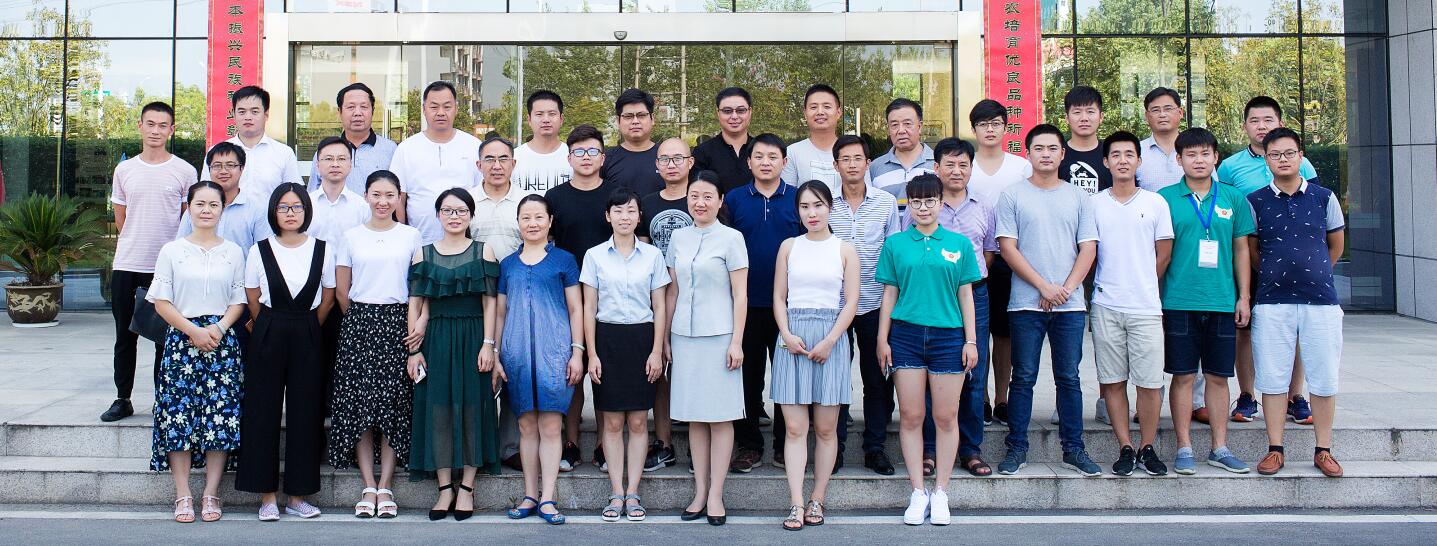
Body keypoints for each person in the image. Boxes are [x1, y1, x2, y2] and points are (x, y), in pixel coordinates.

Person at [994, 124, 1101, 477]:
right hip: (1026, 303)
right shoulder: (1012, 195)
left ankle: (1074, 449)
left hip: (1069, 306)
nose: (1045, 154)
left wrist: (1064, 290)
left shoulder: (1079, 197)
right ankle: (1016, 448)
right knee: (1023, 377)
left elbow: (1088, 248)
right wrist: (1043, 287)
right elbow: (1007, 248)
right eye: (1038, 148)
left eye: (1052, 148)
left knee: (1069, 377)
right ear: (1028, 153)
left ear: (1062, 154)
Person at [875, 174, 981, 526]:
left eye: (930, 201)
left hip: (948, 337)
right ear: (909, 204)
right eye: (916, 202)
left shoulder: (959, 243)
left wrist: (971, 340)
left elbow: (966, 295)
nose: (923, 208)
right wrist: (882, 338)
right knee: (911, 415)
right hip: (905, 335)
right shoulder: (895, 244)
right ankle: (918, 491)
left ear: (940, 202)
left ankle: (941, 492)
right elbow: (889, 293)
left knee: (946, 417)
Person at [1247, 127, 1346, 478]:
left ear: (1301, 156)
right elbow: (1253, 252)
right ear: (1266, 160)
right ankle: (1275, 449)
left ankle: (1324, 450)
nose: (1283, 159)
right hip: (1272, 303)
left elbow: (1336, 245)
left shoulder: (1324, 198)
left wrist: (1314, 273)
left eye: (1289, 153)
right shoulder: (1255, 201)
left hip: (1321, 302)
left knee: (1324, 377)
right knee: (1272, 378)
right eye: (1275, 154)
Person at [1217, 96, 1320, 425]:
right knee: (1244, 327)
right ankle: (1247, 396)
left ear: (1280, 122)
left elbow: (1315, 212)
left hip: (1293, 261)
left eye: (1268, 120)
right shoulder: (1230, 167)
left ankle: (1295, 396)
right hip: (1249, 257)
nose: (1261, 126)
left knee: (1295, 329)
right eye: (1254, 120)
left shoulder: (1302, 163)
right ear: (1245, 126)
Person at [147, 180, 246, 524]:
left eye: (213, 205)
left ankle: (211, 492)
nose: (206, 210)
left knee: (220, 417)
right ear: (188, 208)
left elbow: (239, 299)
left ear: (222, 209)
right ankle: (183, 494)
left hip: (221, 341)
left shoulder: (233, 252)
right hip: (181, 342)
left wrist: (219, 328)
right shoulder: (172, 251)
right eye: (199, 204)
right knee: (178, 417)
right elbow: (161, 301)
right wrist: (192, 331)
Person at [1157, 127, 1254, 475]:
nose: (1198, 161)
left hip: (1222, 301)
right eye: (1191, 155)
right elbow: (1159, 253)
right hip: (1178, 301)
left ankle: (1219, 447)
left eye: (1205, 154)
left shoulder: (1233, 198)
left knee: (1218, 377)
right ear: (1179, 159)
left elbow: (1242, 250)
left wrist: (1244, 297)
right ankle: (1184, 447)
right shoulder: (1164, 199)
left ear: (1216, 157)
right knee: (1182, 376)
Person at [236, 183, 335, 520]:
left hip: (308, 327)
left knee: (306, 412)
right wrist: (269, 324)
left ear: (307, 210)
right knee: (262, 409)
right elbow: (252, 295)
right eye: (283, 207)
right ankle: (266, 497)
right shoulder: (259, 249)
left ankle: (297, 496)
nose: (290, 213)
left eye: (296, 207)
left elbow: (328, 298)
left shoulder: (323, 248)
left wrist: (305, 326)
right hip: (268, 327)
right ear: (273, 212)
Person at [329, 170, 424, 519]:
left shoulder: (411, 235)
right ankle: (368, 484)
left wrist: (413, 327)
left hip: (399, 322)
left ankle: (386, 485)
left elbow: (417, 288)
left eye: (389, 195)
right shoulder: (351, 236)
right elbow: (342, 290)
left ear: (399, 198)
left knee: (394, 404)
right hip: (359, 323)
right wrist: (361, 321)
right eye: (376, 195)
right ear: (366, 196)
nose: (383, 202)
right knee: (361, 405)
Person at [406, 188, 502, 521]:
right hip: (435, 338)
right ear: (438, 215)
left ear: (471, 215)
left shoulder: (483, 250)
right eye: (447, 210)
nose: (454, 216)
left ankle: (467, 488)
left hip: (473, 336)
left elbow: (490, 303)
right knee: (439, 409)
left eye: (461, 210)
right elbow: (415, 303)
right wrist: (414, 350)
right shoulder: (423, 254)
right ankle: (445, 488)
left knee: (474, 406)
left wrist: (488, 344)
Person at [772, 181, 859, 530]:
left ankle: (817, 499)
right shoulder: (789, 247)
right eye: (805, 206)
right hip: (792, 336)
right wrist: (786, 333)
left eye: (819, 205)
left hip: (830, 339)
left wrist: (830, 340)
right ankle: (795, 502)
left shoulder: (845, 249)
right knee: (795, 428)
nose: (812, 213)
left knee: (826, 429)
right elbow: (779, 297)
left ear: (830, 208)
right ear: (798, 210)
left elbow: (851, 301)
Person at [909, 138, 997, 479]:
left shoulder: (984, 206)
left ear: (972, 169)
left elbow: (988, 253)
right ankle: (930, 449)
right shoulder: (925, 205)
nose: (956, 171)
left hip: (974, 294)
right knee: (933, 373)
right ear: (936, 167)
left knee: (974, 370)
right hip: (932, 297)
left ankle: (971, 449)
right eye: (949, 164)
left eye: (963, 165)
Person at [581, 188, 671, 522]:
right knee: (613, 421)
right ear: (608, 216)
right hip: (607, 339)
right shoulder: (594, 256)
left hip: (642, 338)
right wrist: (592, 353)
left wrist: (657, 350)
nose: (624, 217)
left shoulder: (652, 256)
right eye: (618, 211)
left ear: (639, 216)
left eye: (631, 211)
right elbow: (589, 308)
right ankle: (615, 492)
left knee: (637, 420)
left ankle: (633, 492)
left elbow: (659, 305)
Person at [103, 101, 196, 423]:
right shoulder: (124, 170)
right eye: (150, 124)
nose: (156, 131)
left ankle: (162, 400)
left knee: (163, 338)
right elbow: (121, 219)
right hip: (128, 264)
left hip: (165, 268)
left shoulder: (185, 171)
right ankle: (123, 398)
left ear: (171, 130)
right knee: (124, 335)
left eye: (163, 125)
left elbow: (186, 220)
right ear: (140, 126)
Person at [495, 195, 585, 526]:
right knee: (525, 426)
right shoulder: (508, 264)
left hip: (555, 353)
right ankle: (530, 494)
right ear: (518, 222)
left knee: (550, 425)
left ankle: (548, 497)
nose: (532, 223)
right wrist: (496, 354)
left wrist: (577, 351)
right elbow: (500, 312)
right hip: (516, 354)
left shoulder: (564, 260)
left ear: (549, 221)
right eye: (526, 217)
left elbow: (576, 308)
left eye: (538, 217)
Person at [666, 174, 749, 526]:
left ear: (720, 200)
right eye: (694, 196)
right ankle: (700, 492)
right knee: (695, 416)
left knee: (720, 415)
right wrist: (665, 338)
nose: (699, 202)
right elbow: (672, 291)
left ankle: (716, 494)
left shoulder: (732, 238)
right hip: (684, 335)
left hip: (720, 335)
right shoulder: (678, 237)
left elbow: (740, 295)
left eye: (707, 196)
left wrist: (736, 341)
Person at [1089, 131, 1172, 476]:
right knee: (1112, 380)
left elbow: (1163, 253)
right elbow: (1088, 252)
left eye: (1129, 154)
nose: (1122, 161)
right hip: (1106, 304)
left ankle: (1147, 446)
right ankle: (1124, 445)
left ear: (1139, 161)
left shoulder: (1155, 203)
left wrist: (1142, 283)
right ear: (1106, 162)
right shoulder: (1093, 204)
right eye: (1116, 155)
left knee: (1150, 381)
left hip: (1146, 307)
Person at [827, 135, 902, 476]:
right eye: (845, 159)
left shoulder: (886, 203)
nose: (852, 164)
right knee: (837, 380)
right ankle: (835, 449)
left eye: (858, 158)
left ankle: (875, 448)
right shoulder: (825, 204)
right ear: (836, 165)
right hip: (835, 306)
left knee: (877, 380)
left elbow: (893, 255)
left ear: (868, 163)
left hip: (875, 303)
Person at [727, 133, 802, 473]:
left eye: (773, 156)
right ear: (749, 161)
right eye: (759, 156)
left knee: (787, 378)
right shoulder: (734, 199)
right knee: (747, 377)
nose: (765, 162)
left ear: (784, 162)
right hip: (746, 303)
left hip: (790, 305)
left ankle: (786, 444)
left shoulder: (799, 198)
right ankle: (749, 445)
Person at [546, 124, 615, 471]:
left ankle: (604, 444)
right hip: (566, 297)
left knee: (604, 375)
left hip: (610, 297)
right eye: (578, 152)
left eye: (592, 152)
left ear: (602, 157)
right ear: (569, 158)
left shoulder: (616, 195)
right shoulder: (555, 198)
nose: (586, 158)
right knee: (571, 373)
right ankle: (570, 443)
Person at [965, 99, 1031, 427]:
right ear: (974, 129)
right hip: (971, 261)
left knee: (1004, 334)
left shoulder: (1021, 166)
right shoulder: (965, 165)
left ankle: (1002, 397)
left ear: (1006, 127)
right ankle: (981, 398)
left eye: (995, 124)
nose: (990, 130)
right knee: (976, 332)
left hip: (1010, 258)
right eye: (983, 124)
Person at [636, 138, 697, 471]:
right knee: (659, 371)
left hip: (696, 299)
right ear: (656, 165)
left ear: (690, 162)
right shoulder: (647, 203)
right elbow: (643, 253)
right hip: (656, 299)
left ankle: (701, 446)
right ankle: (664, 443)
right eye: (664, 159)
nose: (671, 164)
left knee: (695, 370)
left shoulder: (701, 199)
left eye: (678, 158)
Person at [468, 135, 528, 471]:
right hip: (476, 299)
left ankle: (510, 446)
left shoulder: (525, 202)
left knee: (513, 370)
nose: (496, 165)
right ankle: (478, 447)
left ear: (513, 164)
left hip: (518, 297)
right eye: (489, 159)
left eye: (503, 159)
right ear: (479, 165)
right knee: (479, 371)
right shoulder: (467, 202)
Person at [307, 136, 370, 418]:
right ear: (317, 165)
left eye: (342, 159)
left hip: (347, 293)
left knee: (342, 356)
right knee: (312, 357)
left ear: (351, 165)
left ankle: (341, 414)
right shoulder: (305, 205)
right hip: (311, 294)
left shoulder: (361, 207)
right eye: (328, 159)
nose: (335, 164)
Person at [391, 81, 482, 244]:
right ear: (424, 109)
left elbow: (482, 192)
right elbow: (399, 198)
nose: (441, 113)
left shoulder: (473, 146)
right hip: (420, 242)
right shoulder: (406, 148)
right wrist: (402, 238)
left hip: (466, 243)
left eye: (447, 107)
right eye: (434, 107)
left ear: (456, 109)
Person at [201, 85, 301, 201]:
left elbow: (295, 194)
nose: (248, 117)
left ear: (266, 115)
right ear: (234, 114)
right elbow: (205, 191)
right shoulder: (216, 153)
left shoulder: (284, 153)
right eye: (242, 112)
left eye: (254, 112)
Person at [178, 142, 273, 254]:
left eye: (230, 165)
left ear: (242, 168)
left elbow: (263, 254)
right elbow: (180, 248)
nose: (223, 171)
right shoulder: (195, 208)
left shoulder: (257, 210)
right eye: (217, 165)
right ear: (209, 169)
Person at [307, 82, 396, 195]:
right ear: (340, 112)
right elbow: (312, 195)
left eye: (363, 107)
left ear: (372, 111)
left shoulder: (391, 149)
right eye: (351, 107)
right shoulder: (325, 151)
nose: (357, 113)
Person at [781, 84, 845, 191]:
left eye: (827, 107)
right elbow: (788, 196)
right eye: (813, 107)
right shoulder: (792, 153)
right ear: (805, 114)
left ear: (838, 112)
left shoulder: (852, 151)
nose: (820, 112)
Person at [692, 87, 755, 194]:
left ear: (750, 112)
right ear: (718, 113)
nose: (734, 116)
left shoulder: (761, 150)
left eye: (740, 110)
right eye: (727, 111)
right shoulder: (702, 153)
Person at [601, 88, 664, 196]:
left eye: (641, 115)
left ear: (652, 118)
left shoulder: (666, 157)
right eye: (628, 116)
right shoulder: (606, 160)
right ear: (618, 121)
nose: (635, 121)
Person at [872, 98, 935, 201]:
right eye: (894, 125)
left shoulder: (938, 163)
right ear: (888, 129)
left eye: (907, 124)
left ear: (919, 127)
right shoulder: (875, 168)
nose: (901, 130)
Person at [513, 90, 572, 194]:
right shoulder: (514, 157)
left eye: (552, 114)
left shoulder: (574, 157)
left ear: (561, 119)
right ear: (529, 120)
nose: (546, 120)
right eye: (539, 114)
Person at [1058, 86, 1112, 196]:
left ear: (1101, 117)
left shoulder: (1112, 154)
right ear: (1067, 118)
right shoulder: (1056, 155)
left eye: (1090, 112)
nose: (1084, 118)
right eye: (1077, 112)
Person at [1136, 87, 1187, 193]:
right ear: (1147, 116)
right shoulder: (1135, 151)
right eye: (1155, 110)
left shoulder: (1196, 150)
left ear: (1180, 112)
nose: (1162, 115)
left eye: (1168, 109)